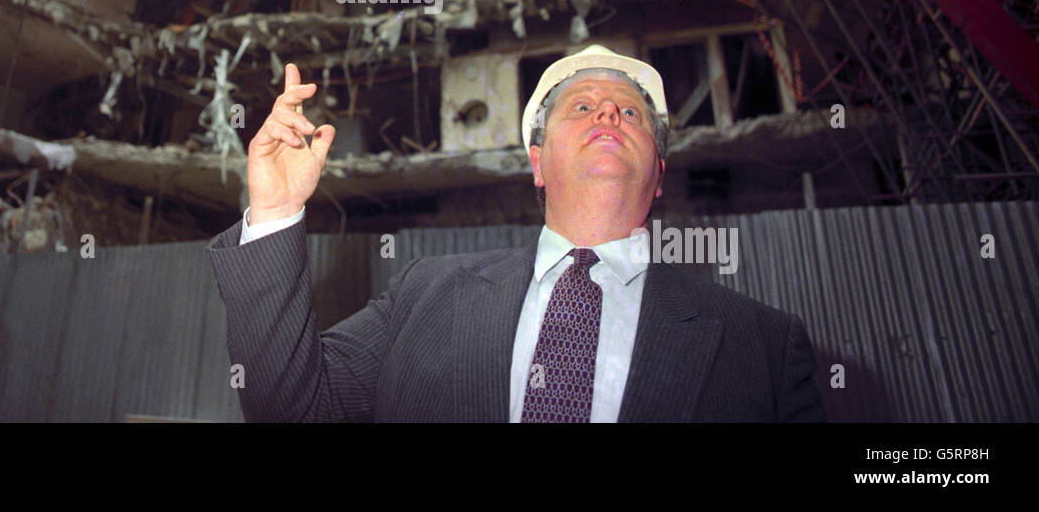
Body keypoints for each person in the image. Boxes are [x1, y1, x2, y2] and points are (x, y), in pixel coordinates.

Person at [206, 44, 827, 422]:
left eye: (630, 112)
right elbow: (291, 411)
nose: (607, 112)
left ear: (659, 173)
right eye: (581, 107)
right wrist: (277, 209)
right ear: (537, 162)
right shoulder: (423, 294)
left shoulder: (767, 349)